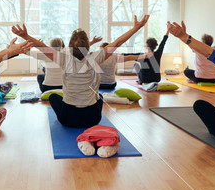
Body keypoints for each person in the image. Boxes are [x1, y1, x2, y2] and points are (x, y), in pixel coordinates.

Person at [12, 15, 149, 128]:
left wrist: (25, 35)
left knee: (54, 97)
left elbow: (41, 46)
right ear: (88, 45)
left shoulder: (63, 59)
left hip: (68, 119)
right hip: (93, 119)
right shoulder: (95, 57)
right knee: (99, 97)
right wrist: (136, 28)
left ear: (70, 46)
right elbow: (117, 43)